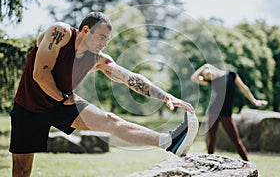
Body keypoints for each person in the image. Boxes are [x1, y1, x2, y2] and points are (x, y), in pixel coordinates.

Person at [9, 12, 199, 177]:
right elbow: (40, 74)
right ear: (85, 30)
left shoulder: (97, 59)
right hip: (29, 108)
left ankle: (169, 141)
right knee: (22, 172)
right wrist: (65, 98)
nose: (104, 43)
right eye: (101, 37)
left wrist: (165, 96)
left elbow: (130, 78)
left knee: (111, 121)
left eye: (107, 39)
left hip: (63, 103)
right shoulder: (60, 33)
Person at [191, 63, 268, 161]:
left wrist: (254, 101)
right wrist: (203, 67)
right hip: (213, 112)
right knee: (211, 141)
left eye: (208, 73)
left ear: (212, 68)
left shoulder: (231, 74)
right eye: (207, 77)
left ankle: (248, 164)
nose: (209, 76)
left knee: (236, 141)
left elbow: (244, 88)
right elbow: (194, 78)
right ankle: (209, 165)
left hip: (226, 114)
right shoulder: (212, 81)